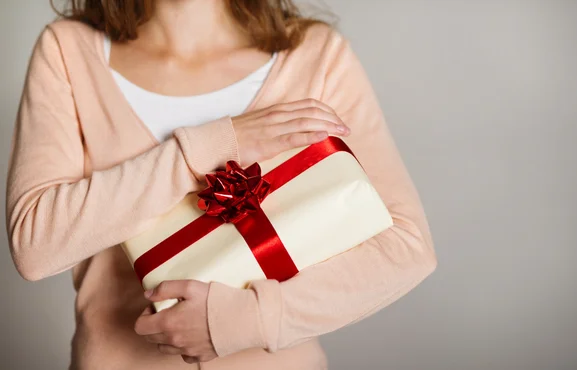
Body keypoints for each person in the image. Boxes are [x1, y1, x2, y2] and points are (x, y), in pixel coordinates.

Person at [5, 0, 437, 369]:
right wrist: (216, 144)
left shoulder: (316, 56)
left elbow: (407, 246)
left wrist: (249, 320)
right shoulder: (68, 50)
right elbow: (34, 245)